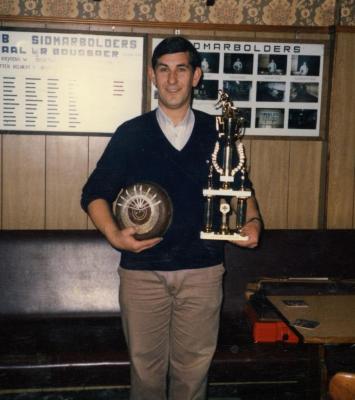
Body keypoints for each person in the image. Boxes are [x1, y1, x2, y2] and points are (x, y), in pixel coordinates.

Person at [81, 36, 262, 400]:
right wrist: (116, 236)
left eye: (182, 69)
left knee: (193, 373)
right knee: (146, 374)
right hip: (142, 273)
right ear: (152, 76)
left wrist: (254, 224)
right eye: (164, 69)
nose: (173, 79)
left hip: (203, 271)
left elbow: (241, 191)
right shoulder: (131, 134)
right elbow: (93, 193)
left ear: (196, 76)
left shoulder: (218, 133)